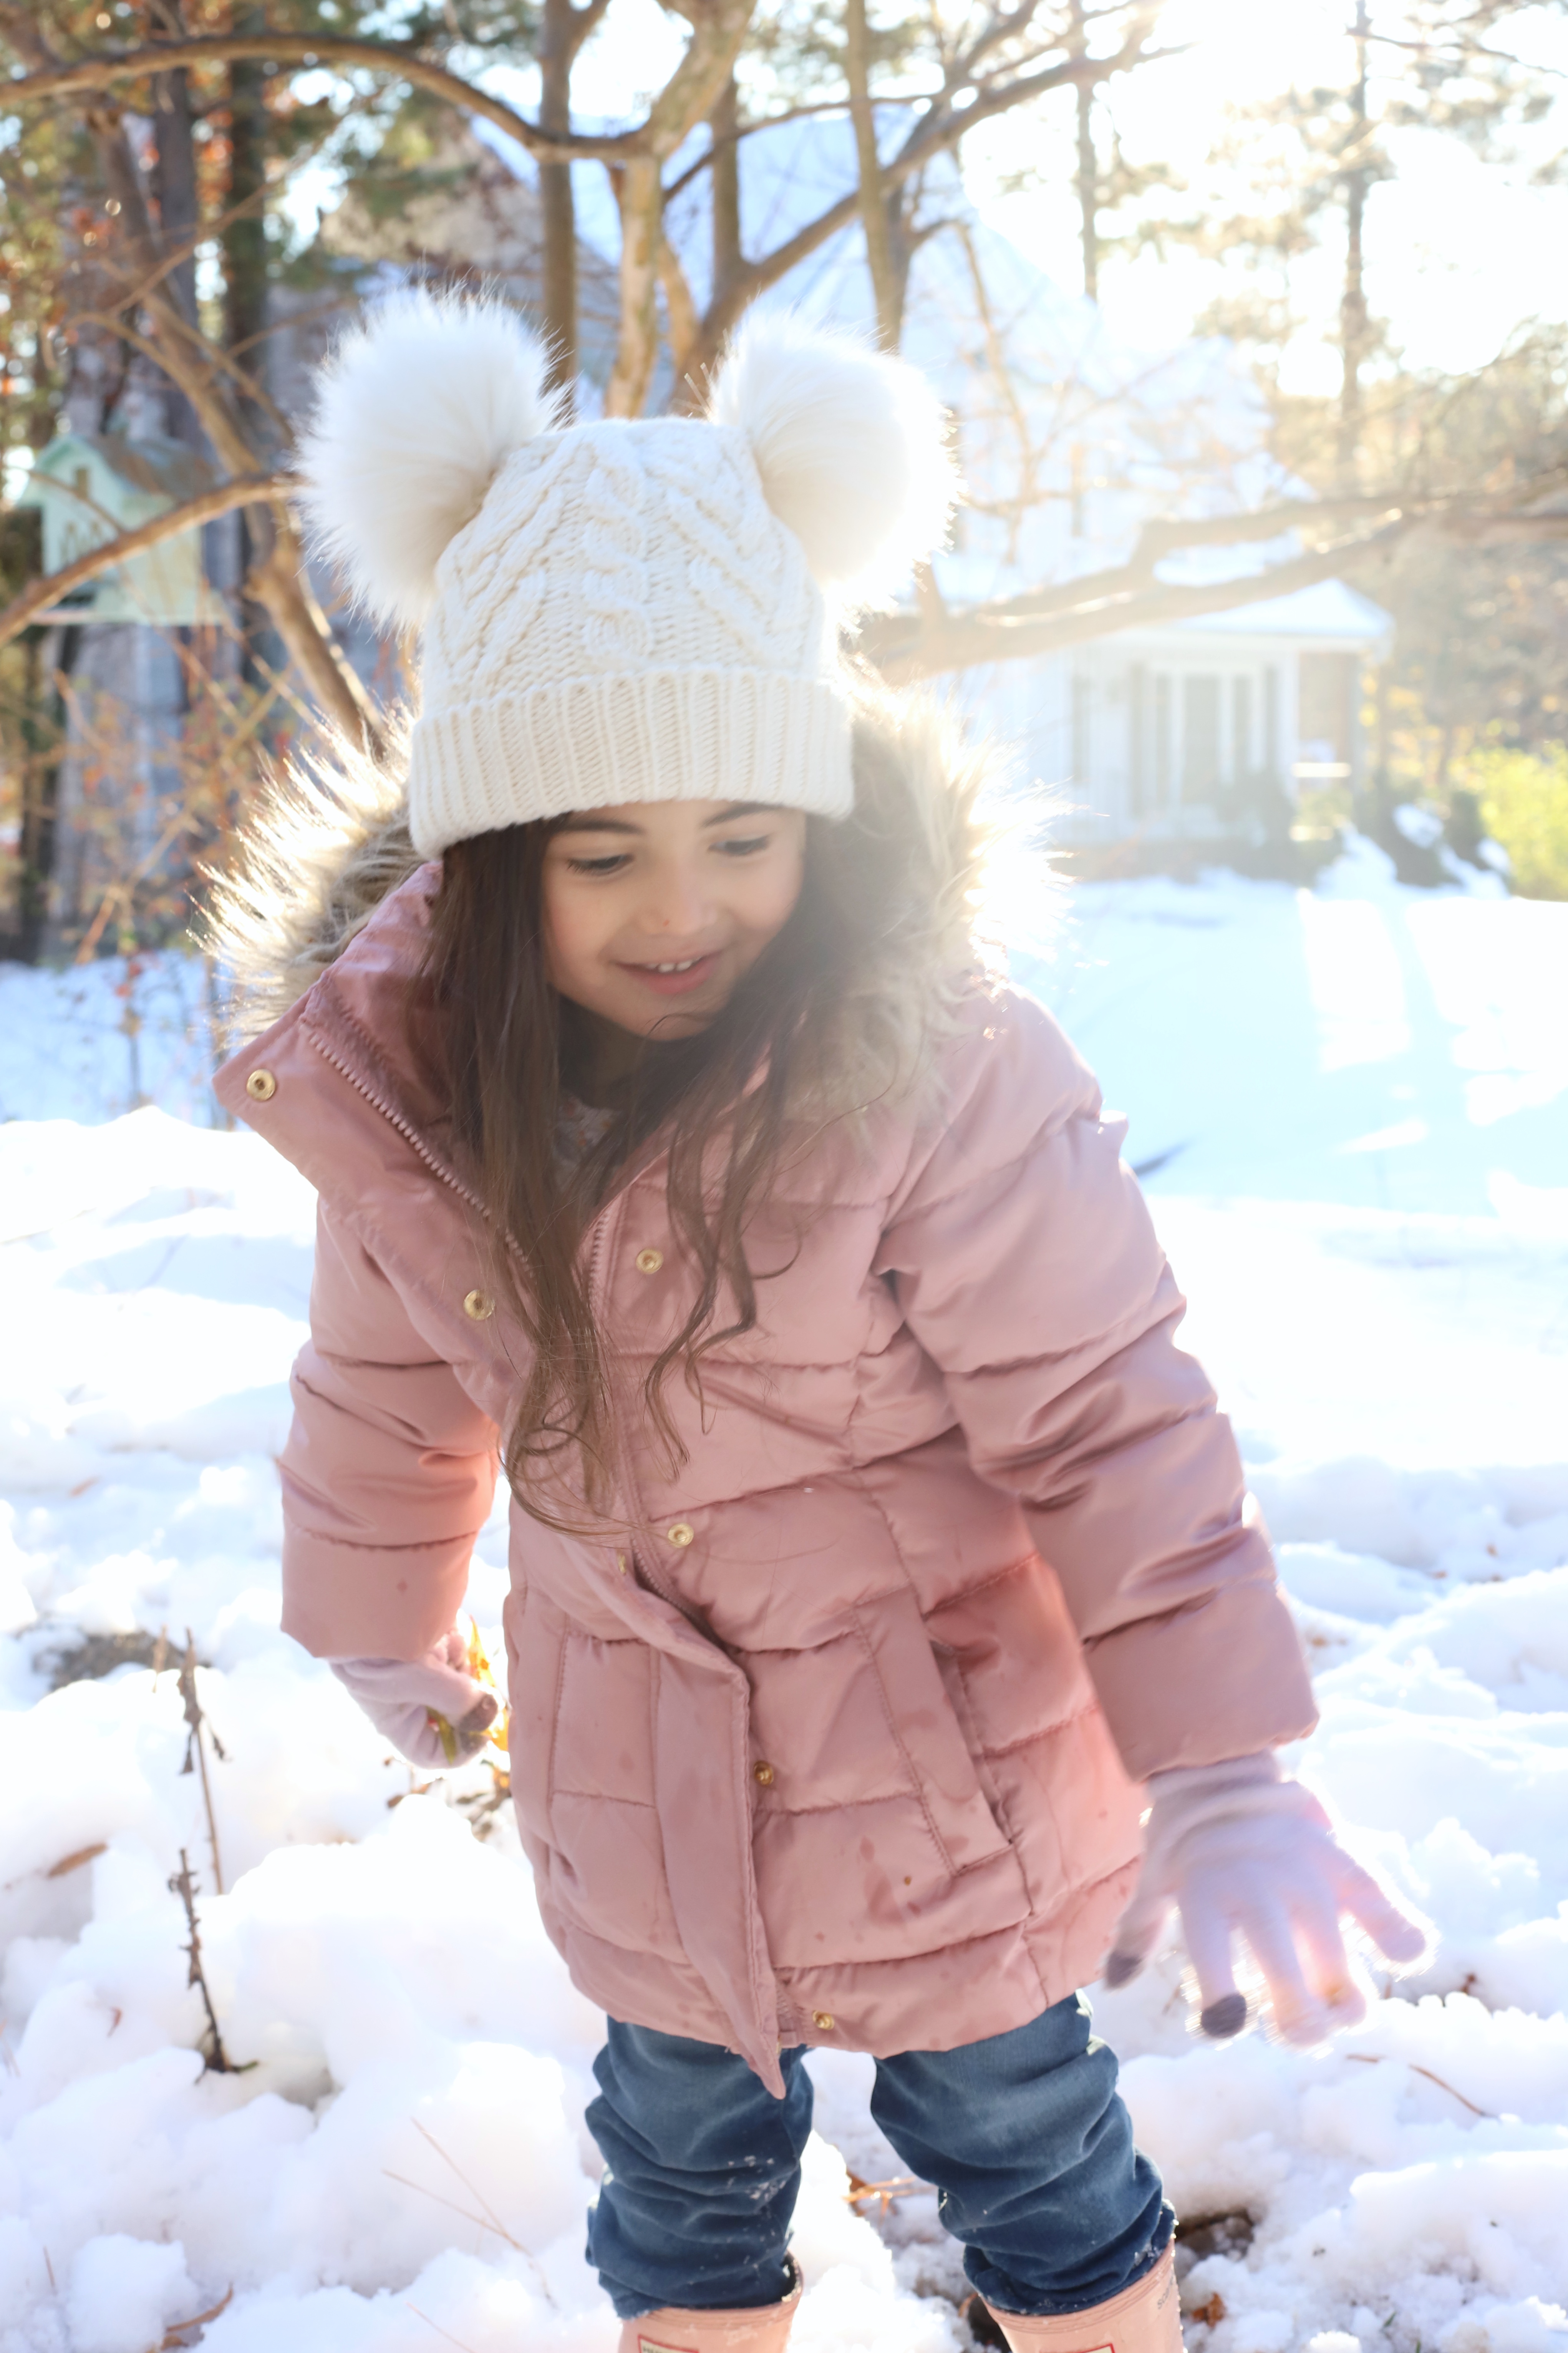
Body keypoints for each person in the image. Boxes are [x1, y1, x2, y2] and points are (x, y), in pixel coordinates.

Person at [214, 292, 1425, 2353]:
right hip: (641, 1784)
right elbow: (386, 1384)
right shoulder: (432, 1105)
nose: (679, 906)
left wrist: (1219, 1770)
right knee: (673, 2188)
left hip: (941, 1781)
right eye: (601, 852)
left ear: (820, 822)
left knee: (1028, 2155)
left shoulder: (935, 1077)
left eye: (742, 837)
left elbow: (1107, 1427)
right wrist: (371, 1613)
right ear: (498, 863)